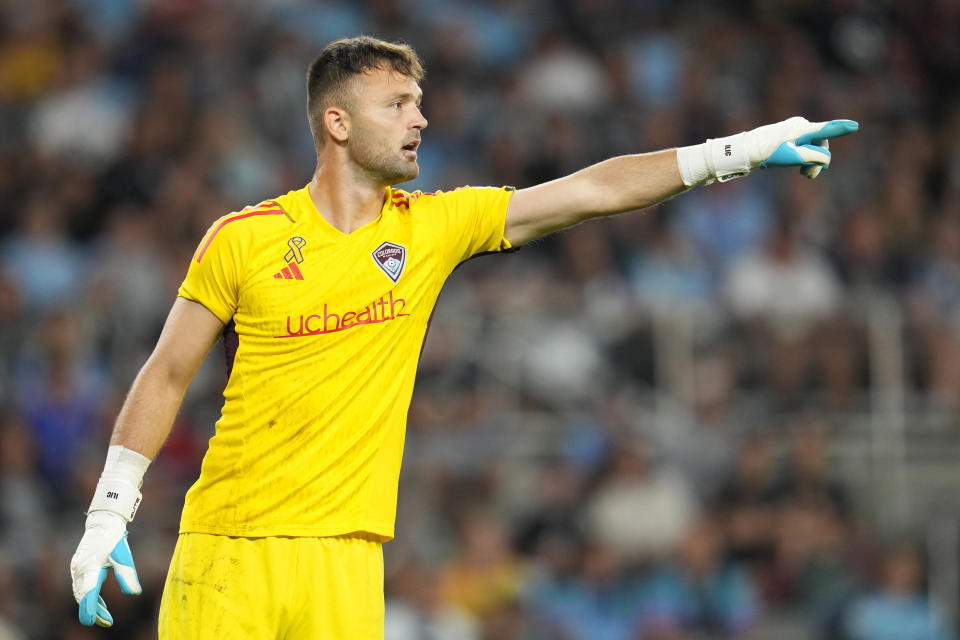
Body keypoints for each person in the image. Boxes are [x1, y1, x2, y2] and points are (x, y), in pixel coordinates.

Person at [68, 35, 858, 639]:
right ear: (336, 122)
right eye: (397, 104)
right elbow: (166, 373)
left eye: (420, 102)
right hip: (232, 549)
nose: (420, 118)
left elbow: (589, 190)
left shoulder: (435, 226)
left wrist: (736, 152)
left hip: (349, 558)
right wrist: (110, 513)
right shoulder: (244, 237)